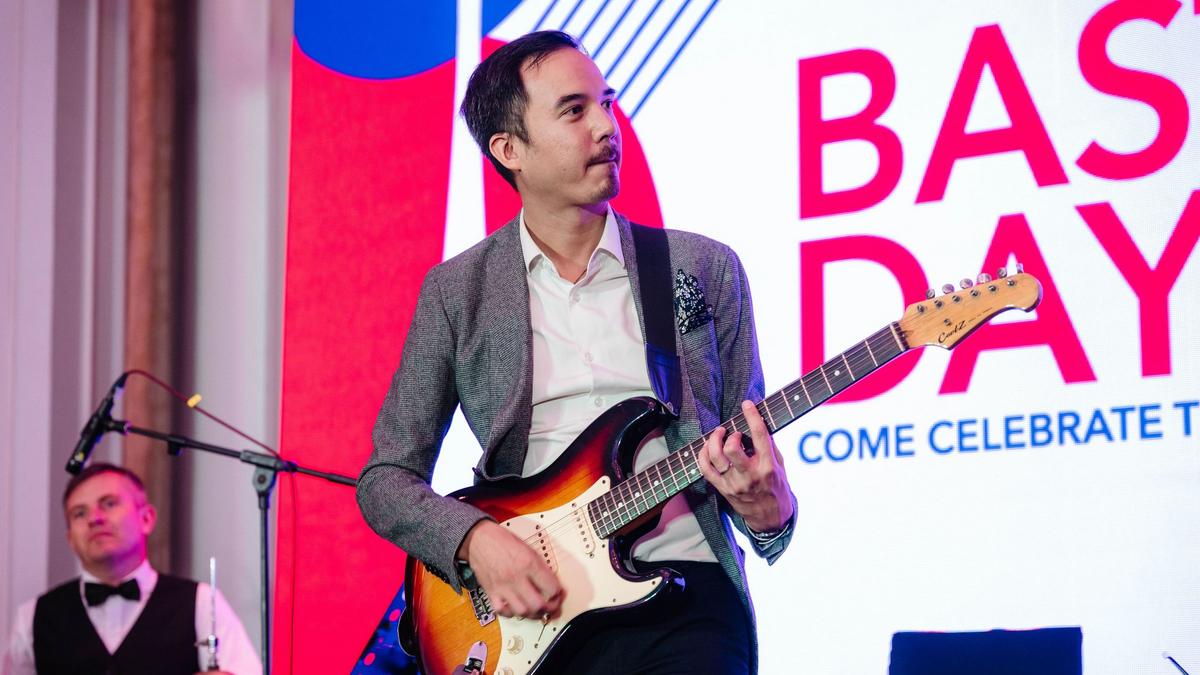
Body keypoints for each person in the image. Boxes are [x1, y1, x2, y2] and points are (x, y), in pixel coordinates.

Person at [357, 30, 797, 673]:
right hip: (535, 614)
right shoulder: (457, 291)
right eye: (574, 110)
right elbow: (385, 480)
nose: (606, 126)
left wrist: (768, 511)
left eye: (607, 103)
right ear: (509, 149)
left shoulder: (704, 267)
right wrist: (474, 539)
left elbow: (749, 457)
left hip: (686, 595)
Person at [3, 463, 261, 675]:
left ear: (146, 518)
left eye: (109, 503)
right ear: (70, 539)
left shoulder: (202, 601)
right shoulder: (33, 617)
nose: (95, 518)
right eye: (80, 513)